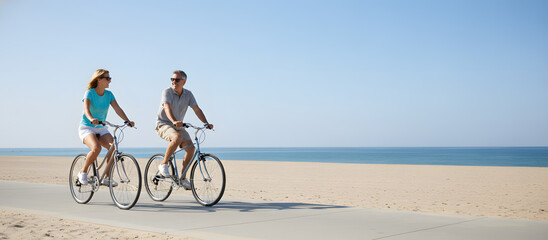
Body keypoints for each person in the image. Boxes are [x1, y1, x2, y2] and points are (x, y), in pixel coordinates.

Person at [156, 70, 213, 190]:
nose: (174, 82)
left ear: (184, 82)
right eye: (172, 79)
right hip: (164, 124)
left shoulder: (188, 94)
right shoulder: (167, 92)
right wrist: (173, 121)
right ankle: (164, 164)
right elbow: (166, 107)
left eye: (177, 80)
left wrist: (206, 123)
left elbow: (197, 109)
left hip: (178, 126)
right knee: (177, 138)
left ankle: (182, 178)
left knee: (191, 149)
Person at [78, 69, 135, 186]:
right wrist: (91, 119)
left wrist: (127, 121)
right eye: (107, 78)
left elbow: (117, 109)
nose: (110, 81)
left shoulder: (109, 95)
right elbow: (86, 110)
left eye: (110, 78)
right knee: (96, 148)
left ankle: (107, 177)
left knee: (112, 147)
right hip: (87, 127)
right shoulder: (89, 93)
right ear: (99, 79)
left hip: (101, 128)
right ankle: (83, 172)